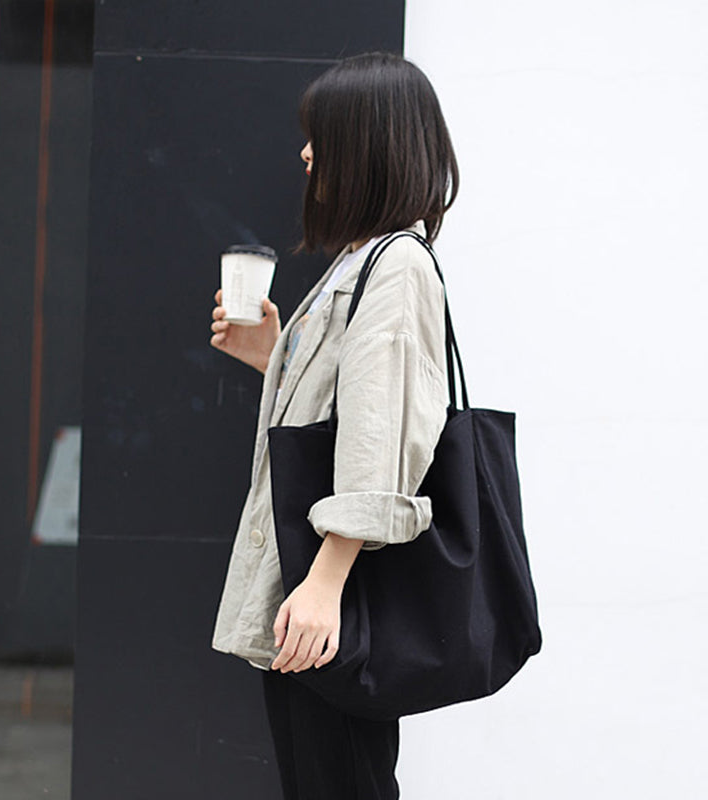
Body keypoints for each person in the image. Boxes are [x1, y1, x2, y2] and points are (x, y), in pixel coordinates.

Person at [209, 51, 459, 800]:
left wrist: (325, 586)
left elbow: (381, 437)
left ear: (367, 145)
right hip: (315, 582)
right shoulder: (360, 260)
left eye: (321, 135)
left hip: (332, 591)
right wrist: (274, 358)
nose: (306, 153)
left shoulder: (397, 264)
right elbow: (348, 404)